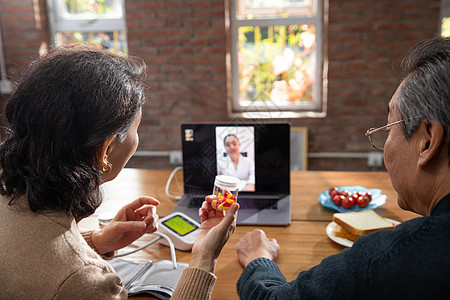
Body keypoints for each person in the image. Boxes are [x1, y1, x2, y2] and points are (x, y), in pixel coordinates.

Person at [0, 44, 239, 299]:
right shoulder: (85, 281)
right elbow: (63, 273)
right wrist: (203, 259)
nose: (138, 139)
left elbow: (33, 253)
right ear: (106, 150)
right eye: (137, 129)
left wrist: (97, 241)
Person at [235, 36, 450, 299]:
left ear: (427, 141)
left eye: (388, 127)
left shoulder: (392, 259)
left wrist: (259, 258)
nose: (385, 146)